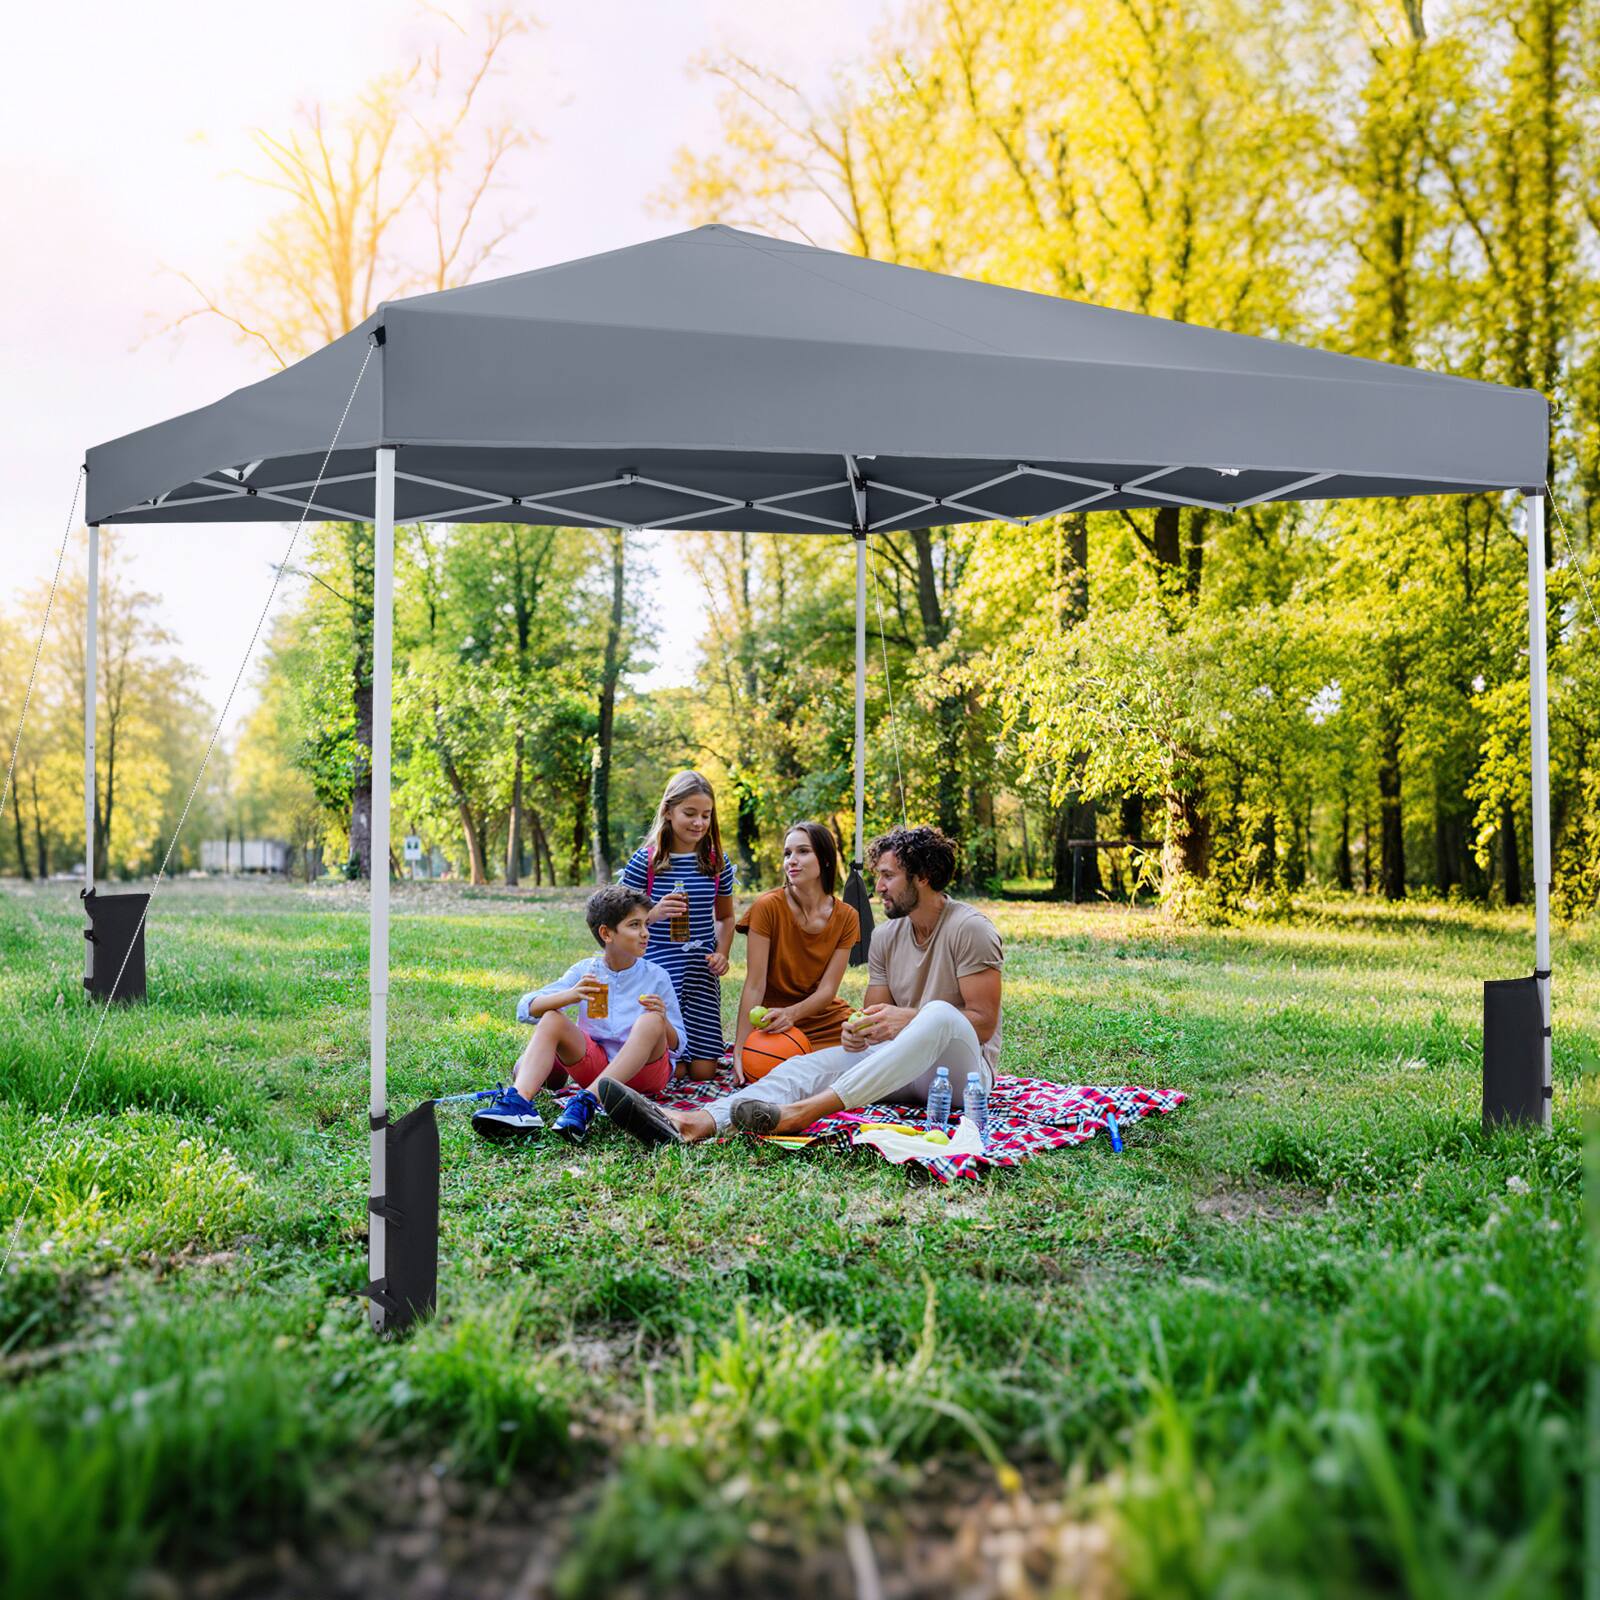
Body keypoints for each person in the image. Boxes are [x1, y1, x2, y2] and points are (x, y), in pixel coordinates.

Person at [600, 824, 1001, 1145]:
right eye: (879, 876)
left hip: (959, 1078)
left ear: (924, 877)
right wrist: (857, 1030)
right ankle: (698, 1122)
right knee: (799, 1068)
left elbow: (981, 1022)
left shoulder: (969, 929)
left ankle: (801, 1114)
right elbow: (874, 1015)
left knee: (938, 1015)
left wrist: (908, 1020)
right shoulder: (885, 936)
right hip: (898, 1070)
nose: (878, 887)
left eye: (888, 876)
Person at [470, 885, 685, 1145]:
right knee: (552, 1017)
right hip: (595, 1068)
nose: (645, 933)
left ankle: (587, 1101)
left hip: (644, 1076)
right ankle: (519, 1103)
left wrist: (663, 1021)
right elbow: (526, 1008)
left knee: (651, 1020)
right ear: (606, 933)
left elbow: (678, 1044)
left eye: (645, 924)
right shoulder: (586, 970)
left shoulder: (656, 976)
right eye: (634, 925)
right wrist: (571, 995)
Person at [619, 771, 737, 1080]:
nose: (699, 823)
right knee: (674, 1068)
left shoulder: (715, 862)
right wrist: (653, 914)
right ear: (668, 812)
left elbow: (725, 918)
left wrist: (722, 953)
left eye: (706, 815)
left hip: (701, 971)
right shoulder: (646, 862)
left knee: (703, 1072)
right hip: (658, 971)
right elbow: (619, 921)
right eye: (690, 813)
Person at [732, 821, 859, 1076]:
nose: (792, 860)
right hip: (773, 1019)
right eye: (787, 853)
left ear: (824, 859)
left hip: (822, 1015)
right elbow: (754, 985)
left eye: (803, 851)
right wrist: (740, 1049)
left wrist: (794, 1013)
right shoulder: (766, 907)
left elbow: (827, 991)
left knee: (871, 1045)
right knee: (774, 1068)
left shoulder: (847, 916)